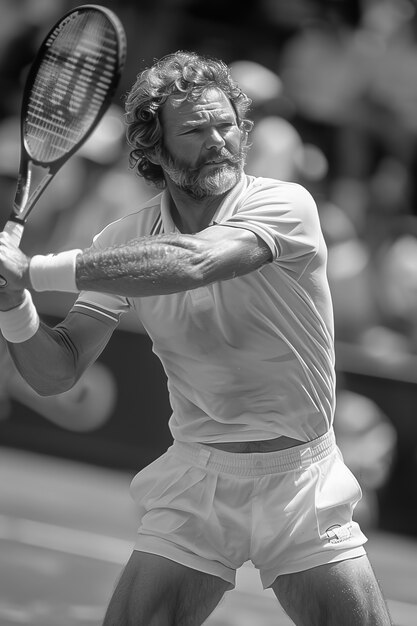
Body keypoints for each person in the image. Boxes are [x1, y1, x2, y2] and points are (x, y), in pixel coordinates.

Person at [0, 51, 392, 625]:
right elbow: (55, 373)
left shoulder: (286, 204)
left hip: (301, 478)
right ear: (153, 148)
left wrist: (32, 270)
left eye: (226, 124)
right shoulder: (125, 239)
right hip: (198, 479)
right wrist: (14, 305)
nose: (217, 141)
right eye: (193, 129)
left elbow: (193, 262)